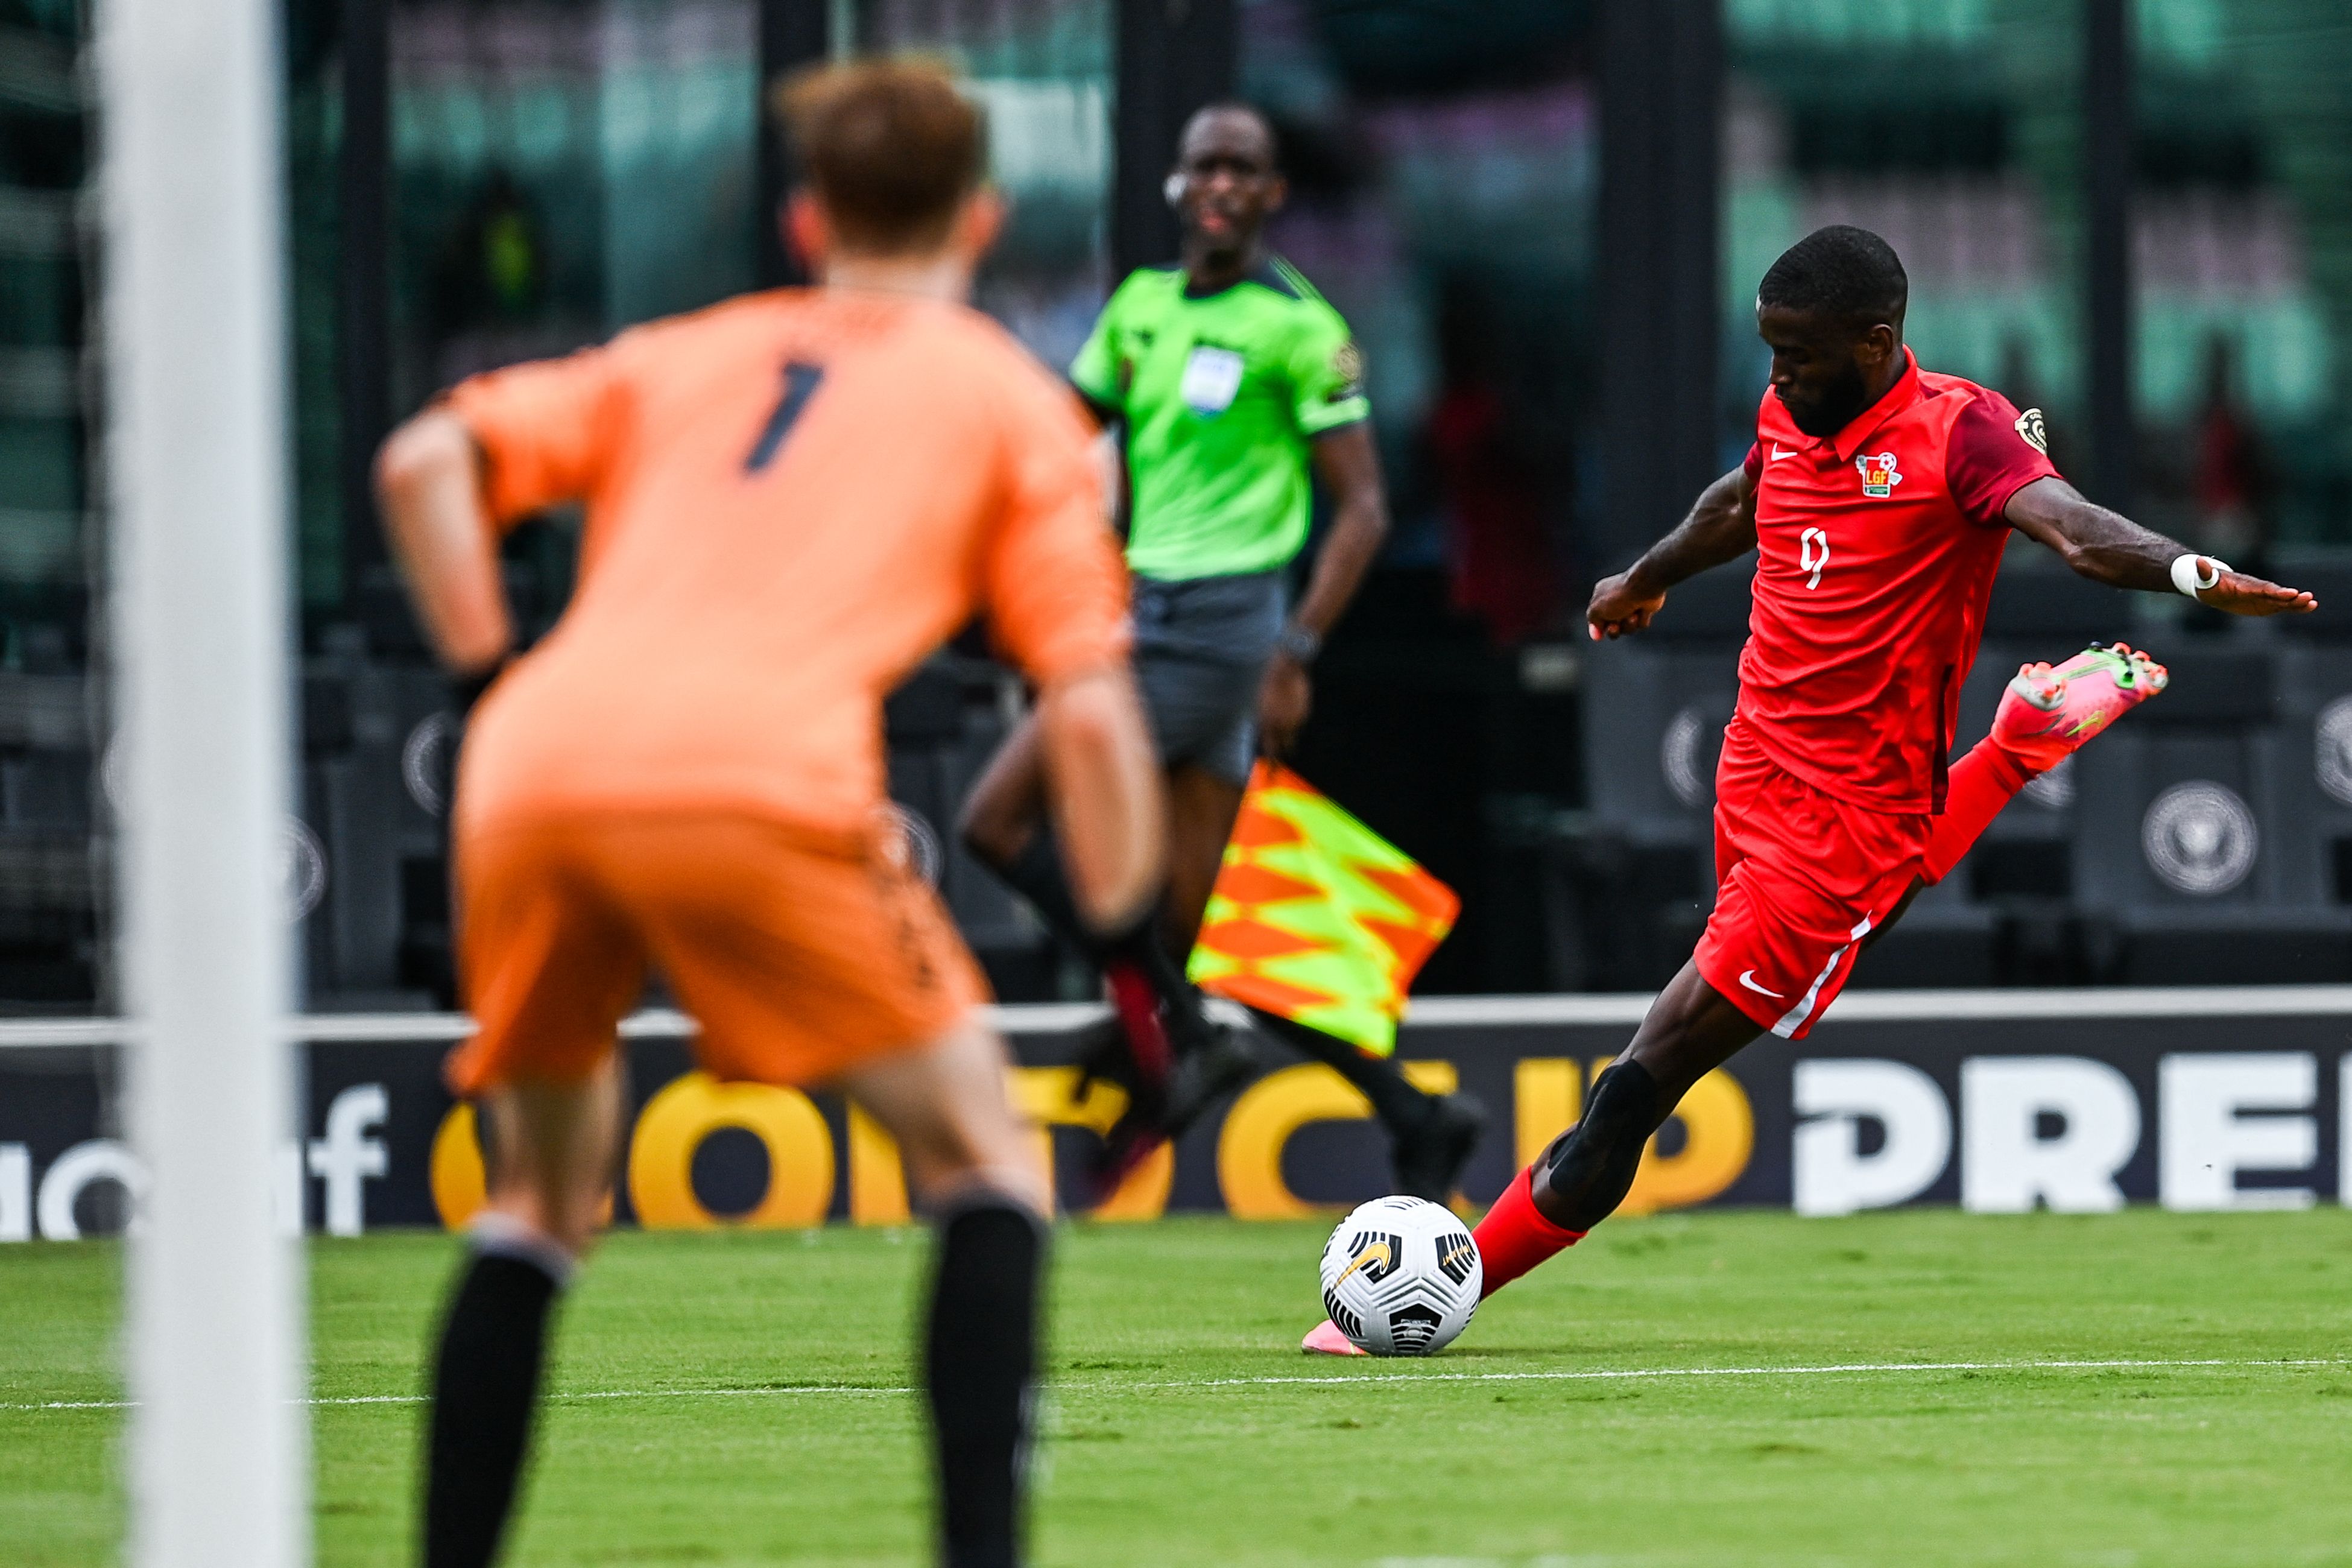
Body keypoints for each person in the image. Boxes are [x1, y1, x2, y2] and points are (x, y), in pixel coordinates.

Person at [374, 62, 1162, 1567]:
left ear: (806, 221)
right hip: (753, 776)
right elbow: (1089, 707)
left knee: (536, 1199)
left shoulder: (687, 352)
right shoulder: (1006, 398)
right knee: (985, 1169)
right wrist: (1129, 958)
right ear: (981, 220)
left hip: (534, 764)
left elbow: (424, 463)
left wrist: (489, 685)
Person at [1302, 224, 2316, 1353]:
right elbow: (1743, 500)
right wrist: (1642, 579)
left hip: (1850, 828)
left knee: (1642, 1078)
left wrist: (2188, 571)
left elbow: (2073, 533)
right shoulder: (1796, 412)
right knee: (1757, 984)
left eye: (1801, 352)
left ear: (1879, 341)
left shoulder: (1959, 432)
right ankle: (2019, 744)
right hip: (1754, 773)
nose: (1779, 375)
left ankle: (1450, 1288)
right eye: (1772, 349)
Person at [958, 101, 1485, 1200]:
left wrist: (1295, 648)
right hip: (1149, 611)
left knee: (997, 819)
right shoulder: (1140, 310)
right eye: (1206, 164)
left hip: (1227, 625)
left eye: (1246, 168)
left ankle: (1183, 1034)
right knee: (1204, 918)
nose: (1224, 184)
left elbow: (1366, 512)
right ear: (1177, 183)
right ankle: (1415, 1113)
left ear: (1274, 194)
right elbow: (1066, 447)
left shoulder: (1299, 326)